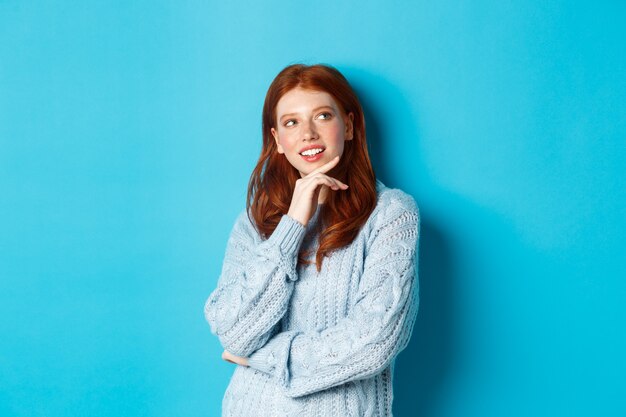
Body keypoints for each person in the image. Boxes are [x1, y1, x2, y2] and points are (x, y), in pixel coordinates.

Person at [204, 63, 420, 416]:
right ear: (277, 140)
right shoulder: (254, 223)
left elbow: (374, 342)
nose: (307, 133)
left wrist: (262, 357)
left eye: (322, 116)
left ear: (348, 125)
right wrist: (293, 224)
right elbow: (234, 333)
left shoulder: (392, 214)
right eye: (291, 122)